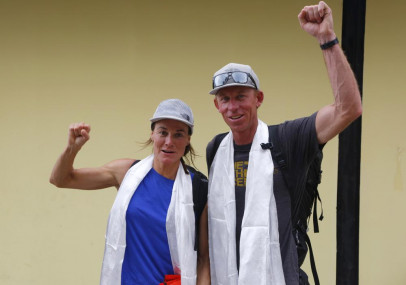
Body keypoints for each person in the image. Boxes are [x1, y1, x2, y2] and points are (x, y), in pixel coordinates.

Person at [206, 2, 362, 285]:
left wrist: (327, 39)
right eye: (225, 99)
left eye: (241, 96)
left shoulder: (287, 139)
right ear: (216, 105)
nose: (232, 107)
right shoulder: (216, 149)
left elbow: (348, 108)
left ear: (259, 99)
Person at [50, 99, 210, 285]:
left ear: (188, 139)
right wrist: (72, 148)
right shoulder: (127, 173)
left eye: (178, 134)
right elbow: (61, 179)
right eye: (163, 132)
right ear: (152, 134)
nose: (169, 142)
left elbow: (204, 259)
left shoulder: (198, 188)